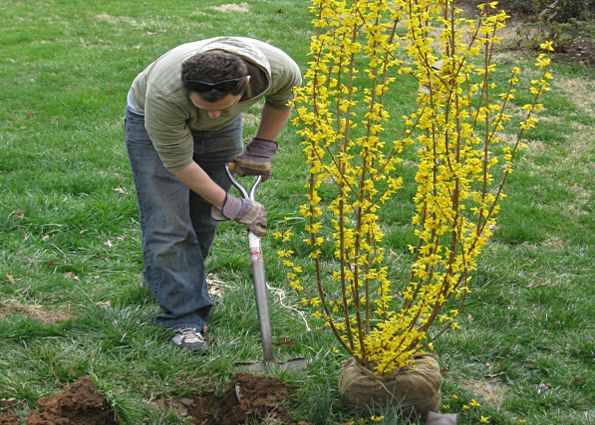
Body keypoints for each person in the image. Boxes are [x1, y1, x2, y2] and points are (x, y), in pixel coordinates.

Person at [124, 36, 301, 351]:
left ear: (244, 84)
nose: (213, 114)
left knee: (204, 219)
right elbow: (179, 164)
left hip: (222, 135)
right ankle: (184, 318)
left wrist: (263, 145)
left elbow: (283, 98)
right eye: (205, 107)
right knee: (168, 222)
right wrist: (230, 203)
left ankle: (176, 283)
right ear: (186, 88)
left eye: (222, 107)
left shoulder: (278, 68)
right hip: (152, 126)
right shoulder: (167, 95)